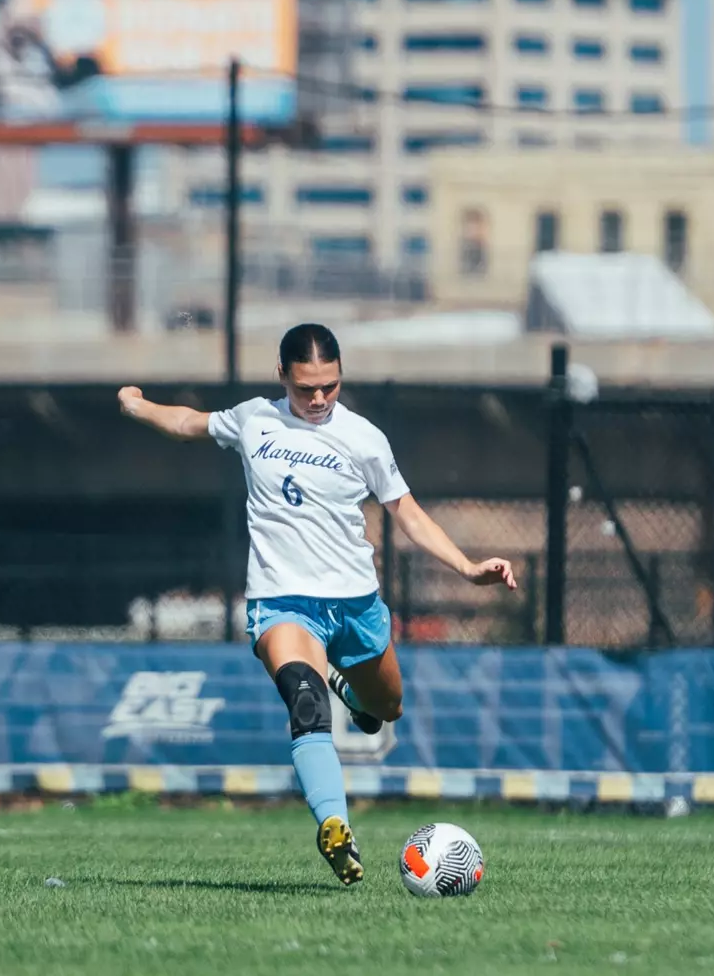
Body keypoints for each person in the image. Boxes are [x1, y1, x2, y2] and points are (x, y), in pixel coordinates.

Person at [118, 323, 516, 885]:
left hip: (355, 604)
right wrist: (136, 406)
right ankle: (336, 827)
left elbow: (409, 513)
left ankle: (352, 688)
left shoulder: (364, 438)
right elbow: (186, 422)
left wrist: (469, 567)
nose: (319, 399)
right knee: (306, 705)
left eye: (329, 386)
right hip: (283, 602)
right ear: (282, 376)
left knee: (386, 710)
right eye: (306, 388)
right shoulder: (255, 418)